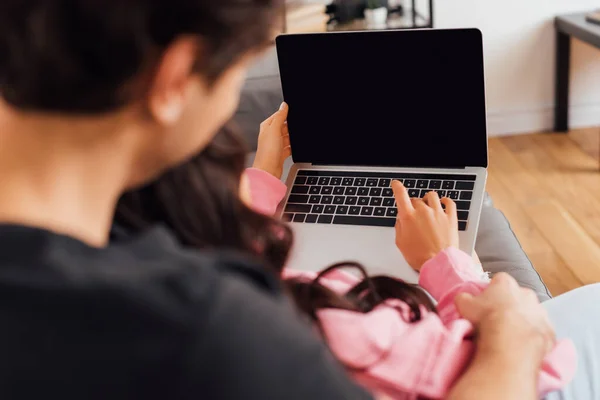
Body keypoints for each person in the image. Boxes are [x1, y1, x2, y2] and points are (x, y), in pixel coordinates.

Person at [0, 2, 590, 399]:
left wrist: (262, 171)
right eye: (235, 66)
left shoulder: (92, 254)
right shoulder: (210, 330)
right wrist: (511, 327)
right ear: (175, 78)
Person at [115, 107, 585, 399]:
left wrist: (263, 169)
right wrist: (446, 264)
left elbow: (224, 248)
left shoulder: (157, 294)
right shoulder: (315, 335)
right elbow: (495, 351)